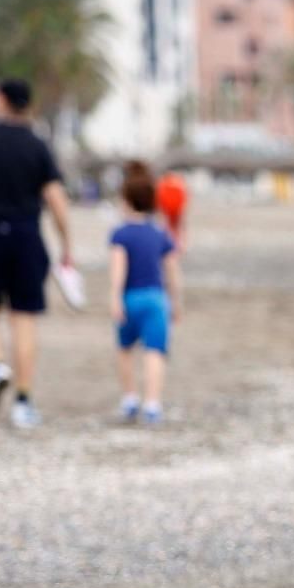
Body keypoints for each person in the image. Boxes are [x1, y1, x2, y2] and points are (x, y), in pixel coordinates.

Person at [0, 78, 75, 429]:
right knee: (24, 320)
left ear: (1, 100)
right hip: (26, 238)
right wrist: (67, 246)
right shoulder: (38, 145)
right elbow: (56, 200)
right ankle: (23, 401)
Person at [109, 162, 182, 425]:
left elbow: (118, 269)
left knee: (125, 349)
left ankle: (130, 398)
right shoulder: (160, 233)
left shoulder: (120, 234)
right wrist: (175, 301)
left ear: (126, 201)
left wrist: (115, 297)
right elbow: (172, 269)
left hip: (130, 298)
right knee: (155, 351)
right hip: (156, 299)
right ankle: (152, 403)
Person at [155, 171, 189, 250]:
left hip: (168, 210)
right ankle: (178, 245)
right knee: (176, 227)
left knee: (168, 227)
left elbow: (159, 199)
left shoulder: (163, 184)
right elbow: (185, 199)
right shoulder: (179, 185)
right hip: (174, 210)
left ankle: (170, 244)